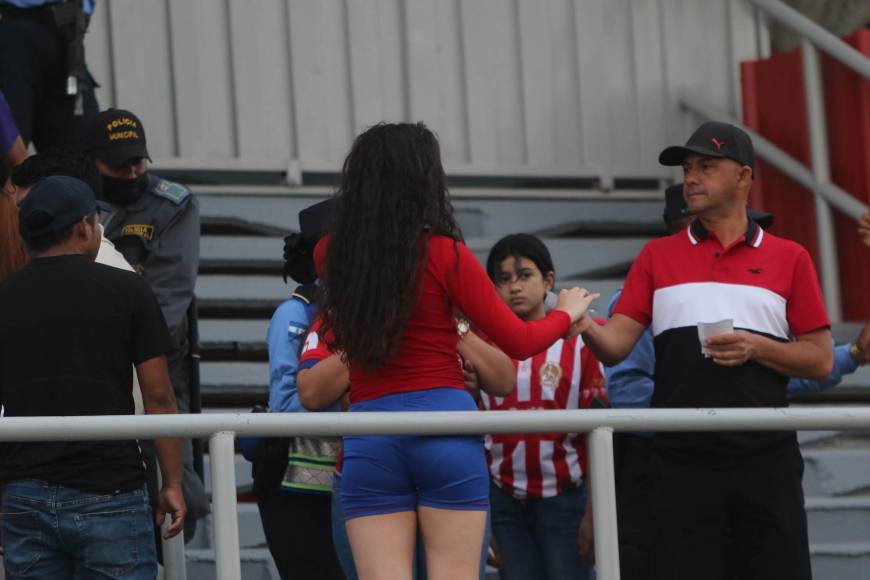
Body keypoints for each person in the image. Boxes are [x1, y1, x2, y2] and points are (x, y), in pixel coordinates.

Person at [316, 122, 596, 580]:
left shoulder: (330, 254)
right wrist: (564, 311)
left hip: (370, 434)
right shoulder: (447, 253)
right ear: (426, 180)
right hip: (446, 428)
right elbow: (521, 342)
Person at [576, 121, 833, 580]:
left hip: (766, 459)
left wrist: (756, 348)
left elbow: (820, 358)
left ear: (744, 177)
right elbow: (615, 346)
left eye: (706, 167)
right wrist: (582, 325)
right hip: (681, 461)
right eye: (688, 168)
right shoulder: (656, 256)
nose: (691, 178)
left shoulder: (790, 257)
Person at [606, 182, 869, 579]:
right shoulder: (651, 278)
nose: (721, 236)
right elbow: (625, 386)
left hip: (759, 455)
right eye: (699, 225)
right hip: (678, 462)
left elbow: (795, 369)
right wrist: (690, 411)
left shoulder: (785, 260)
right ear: (682, 226)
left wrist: (846, 357)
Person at [0, 175, 185, 578]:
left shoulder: (6, 297)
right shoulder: (128, 290)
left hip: (23, 494)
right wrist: (172, 481)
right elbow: (159, 396)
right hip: (110, 489)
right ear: (84, 226)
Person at [298, 315, 512, 580]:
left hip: (448, 469)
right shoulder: (344, 312)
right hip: (375, 470)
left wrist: (452, 328)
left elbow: (504, 380)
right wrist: (371, 334)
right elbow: (311, 393)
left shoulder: (459, 307)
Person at [84, 107, 207, 537]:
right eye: (119, 165)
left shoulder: (172, 205)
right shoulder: (73, 205)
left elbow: (168, 302)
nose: (133, 171)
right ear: (93, 162)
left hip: (157, 367)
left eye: (139, 161)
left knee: (176, 499)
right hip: (85, 372)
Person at [479, 233, 606, 580]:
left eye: (525, 275)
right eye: (503, 279)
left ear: (549, 280)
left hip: (565, 501)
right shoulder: (483, 347)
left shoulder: (580, 344)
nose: (515, 287)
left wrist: (595, 515)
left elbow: (599, 433)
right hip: (502, 500)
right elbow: (473, 436)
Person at [0, 1, 99, 149]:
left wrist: (82, 10)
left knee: (83, 153)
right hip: (11, 27)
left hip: (66, 28)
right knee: (7, 154)